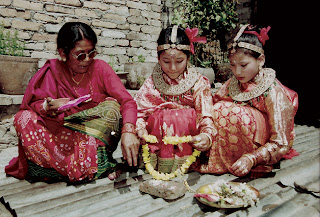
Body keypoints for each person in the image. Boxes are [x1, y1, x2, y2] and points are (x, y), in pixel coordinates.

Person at [5, 22, 140, 182]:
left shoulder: (100, 68)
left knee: (112, 107)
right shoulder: (53, 70)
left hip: (91, 136)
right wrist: (47, 107)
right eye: (80, 55)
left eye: (92, 53)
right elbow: (35, 103)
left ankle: (75, 167)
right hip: (61, 135)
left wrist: (129, 131)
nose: (87, 59)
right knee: (23, 118)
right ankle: (83, 168)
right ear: (63, 52)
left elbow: (127, 102)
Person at [198, 24, 298, 177]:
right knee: (217, 108)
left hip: (261, 147)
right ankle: (221, 161)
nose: (237, 72)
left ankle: (242, 161)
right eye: (232, 65)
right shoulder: (232, 84)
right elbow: (212, 106)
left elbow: (281, 142)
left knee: (233, 111)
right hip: (233, 144)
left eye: (244, 65)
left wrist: (253, 158)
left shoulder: (273, 92)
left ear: (261, 60)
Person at [134, 25, 216, 175]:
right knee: (165, 116)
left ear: (188, 58)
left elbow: (206, 116)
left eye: (179, 61)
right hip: (157, 147)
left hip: (189, 148)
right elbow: (139, 113)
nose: (172, 68)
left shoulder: (199, 83)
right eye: (166, 61)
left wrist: (206, 136)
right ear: (158, 58)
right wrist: (140, 128)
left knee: (178, 117)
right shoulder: (151, 83)